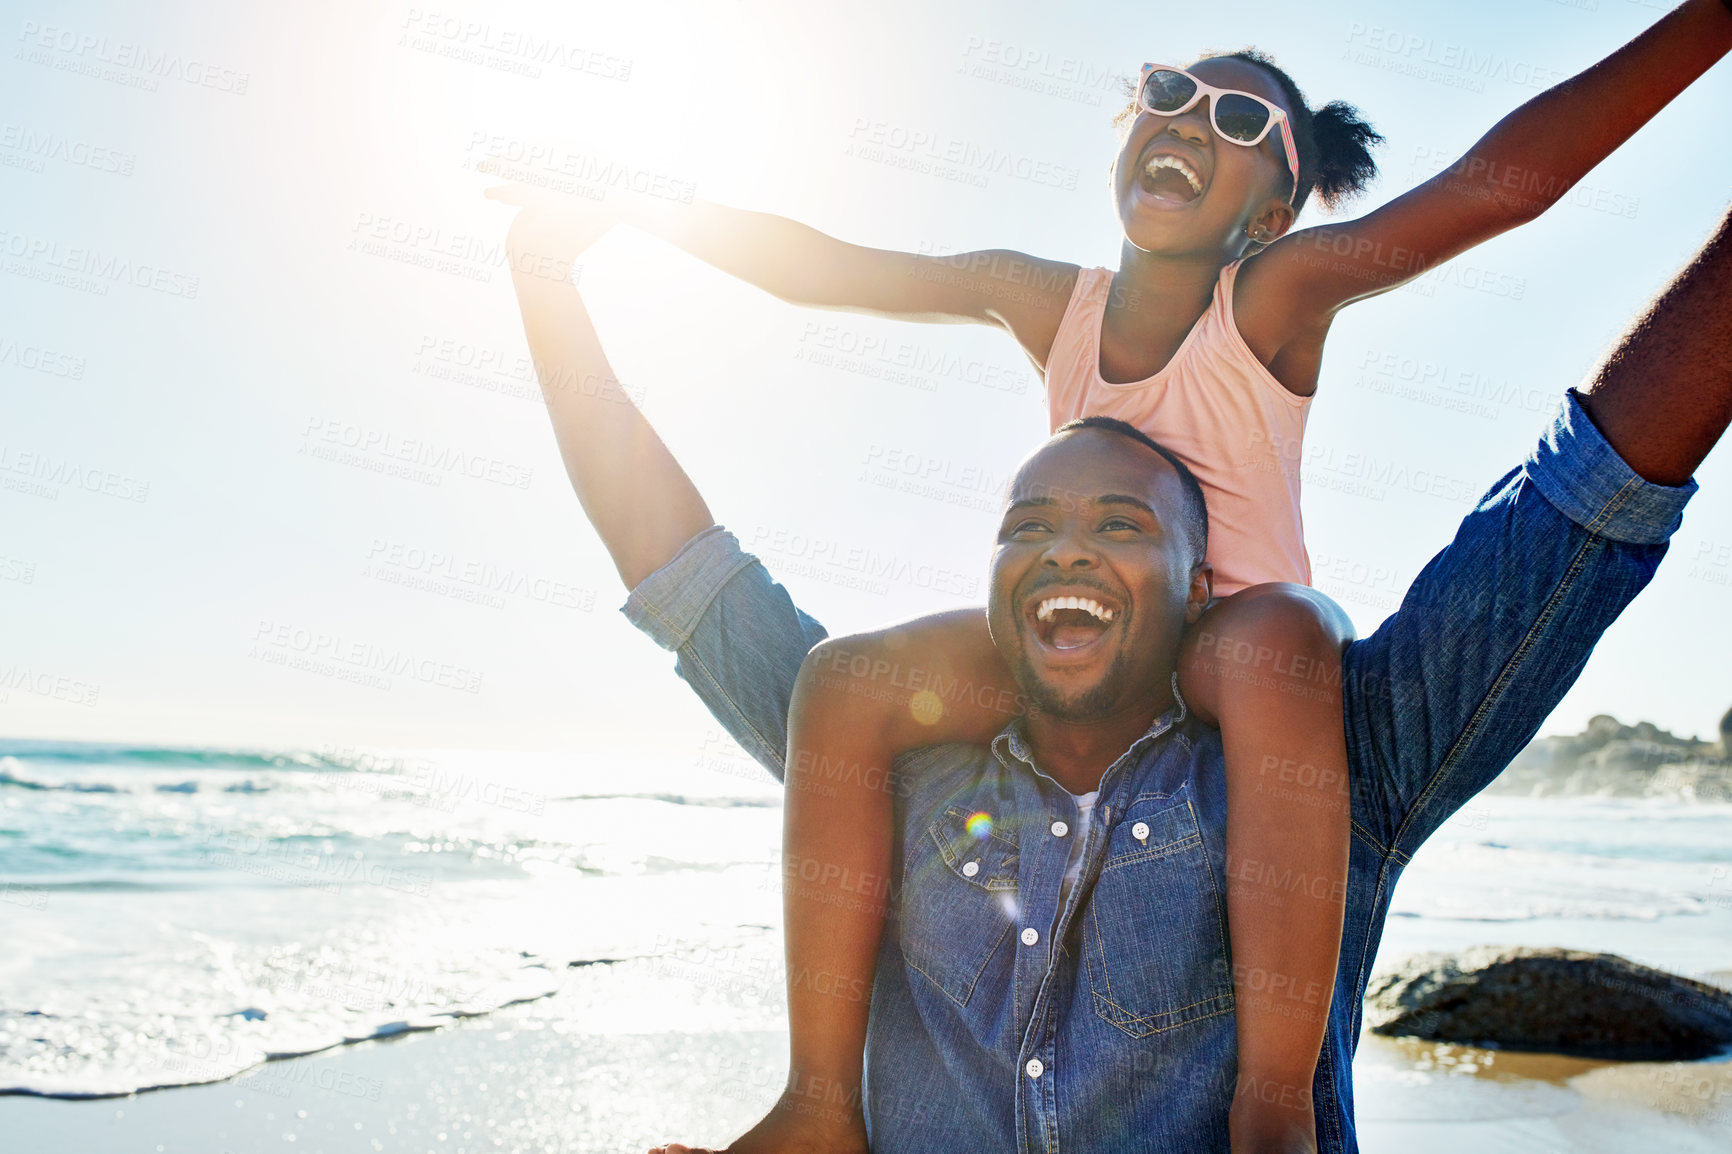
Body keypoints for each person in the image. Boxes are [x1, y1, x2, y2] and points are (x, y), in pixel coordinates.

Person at [492, 5, 1732, 1147]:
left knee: (1275, 638)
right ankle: (817, 1102)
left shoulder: (1272, 294)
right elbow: (832, 267)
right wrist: (636, 207)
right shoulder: (1046, 298)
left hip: (1236, 648)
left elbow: (1494, 192)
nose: (1194, 119)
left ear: (1271, 212)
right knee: (845, 677)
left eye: (1242, 122)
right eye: (1171, 93)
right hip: (1081, 646)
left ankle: (1270, 1106)